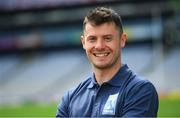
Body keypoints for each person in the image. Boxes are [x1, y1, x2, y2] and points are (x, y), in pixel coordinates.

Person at [56, 7, 159, 117]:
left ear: (122, 40)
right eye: (92, 39)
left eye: (107, 38)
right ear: (83, 42)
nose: (99, 46)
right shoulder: (70, 97)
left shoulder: (140, 90)